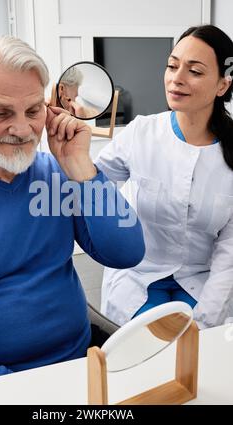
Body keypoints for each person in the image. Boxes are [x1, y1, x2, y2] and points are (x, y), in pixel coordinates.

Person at [0, 35, 145, 390]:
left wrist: (80, 167)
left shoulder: (56, 174)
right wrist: (29, 394)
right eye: (0, 113)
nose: (21, 130)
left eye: (33, 111)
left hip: (79, 365)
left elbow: (126, 252)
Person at [96, 24, 233, 329]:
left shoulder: (229, 154)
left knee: (194, 354)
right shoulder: (142, 133)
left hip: (201, 282)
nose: (176, 79)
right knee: (147, 352)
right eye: (172, 66)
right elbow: (91, 187)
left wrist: (205, 319)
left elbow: (229, 254)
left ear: (222, 85)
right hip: (138, 277)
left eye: (194, 71)